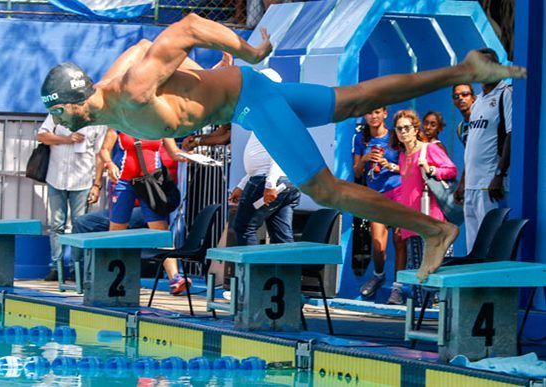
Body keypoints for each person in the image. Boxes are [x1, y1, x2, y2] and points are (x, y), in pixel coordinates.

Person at [40, 14, 526, 280]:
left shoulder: (132, 89)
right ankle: (465, 70)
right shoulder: (101, 107)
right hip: (247, 97)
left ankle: (433, 231)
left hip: (250, 99)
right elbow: (144, 61)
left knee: (326, 189)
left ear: (70, 104)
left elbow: (186, 26)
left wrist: (250, 49)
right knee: (358, 99)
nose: (56, 122)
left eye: (57, 112)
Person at [99, 129, 191, 295]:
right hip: (123, 182)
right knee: (116, 230)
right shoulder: (118, 123)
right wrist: (109, 163)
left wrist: (191, 156)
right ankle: (110, 277)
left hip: (150, 183)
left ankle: (175, 278)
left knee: (160, 230)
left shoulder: (159, 124)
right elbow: (104, 149)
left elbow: (174, 152)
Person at [388, 110, 458, 305]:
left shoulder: (429, 149)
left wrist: (432, 169)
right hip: (412, 222)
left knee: (437, 271)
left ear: (415, 129)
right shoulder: (402, 156)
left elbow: (452, 170)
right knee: (418, 272)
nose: (403, 132)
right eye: (399, 128)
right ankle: (423, 320)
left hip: (433, 219)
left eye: (406, 128)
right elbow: (406, 189)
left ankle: (441, 317)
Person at [36, 114, 106, 281]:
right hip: (56, 177)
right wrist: (66, 139)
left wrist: (97, 185)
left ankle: (77, 269)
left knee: (79, 225)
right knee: (56, 225)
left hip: (82, 180)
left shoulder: (98, 121)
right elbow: (42, 135)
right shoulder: (58, 115)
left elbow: (100, 155)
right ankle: (56, 267)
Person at [352, 107, 406, 305]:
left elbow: (408, 164)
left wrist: (390, 165)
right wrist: (366, 159)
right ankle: (378, 274)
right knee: (377, 244)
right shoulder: (360, 138)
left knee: (400, 240)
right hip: (376, 196)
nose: (373, 117)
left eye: (377, 112)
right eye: (369, 113)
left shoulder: (395, 136)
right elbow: (357, 173)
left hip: (399, 192)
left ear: (385, 114)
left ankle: (398, 289)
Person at [461, 48, 512, 253]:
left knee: (490, 246)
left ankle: (492, 287)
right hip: (471, 185)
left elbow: (511, 134)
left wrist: (499, 174)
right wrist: (464, 181)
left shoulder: (505, 94)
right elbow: (473, 144)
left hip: (489, 184)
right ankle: (475, 287)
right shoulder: (478, 101)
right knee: (473, 248)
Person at [229, 131, 300, 245]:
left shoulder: (271, 119)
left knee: (244, 228)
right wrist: (241, 185)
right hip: (285, 181)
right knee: (281, 235)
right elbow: (263, 161)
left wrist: (270, 184)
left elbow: (279, 152)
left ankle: (251, 263)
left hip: (270, 181)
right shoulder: (265, 120)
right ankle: (287, 262)